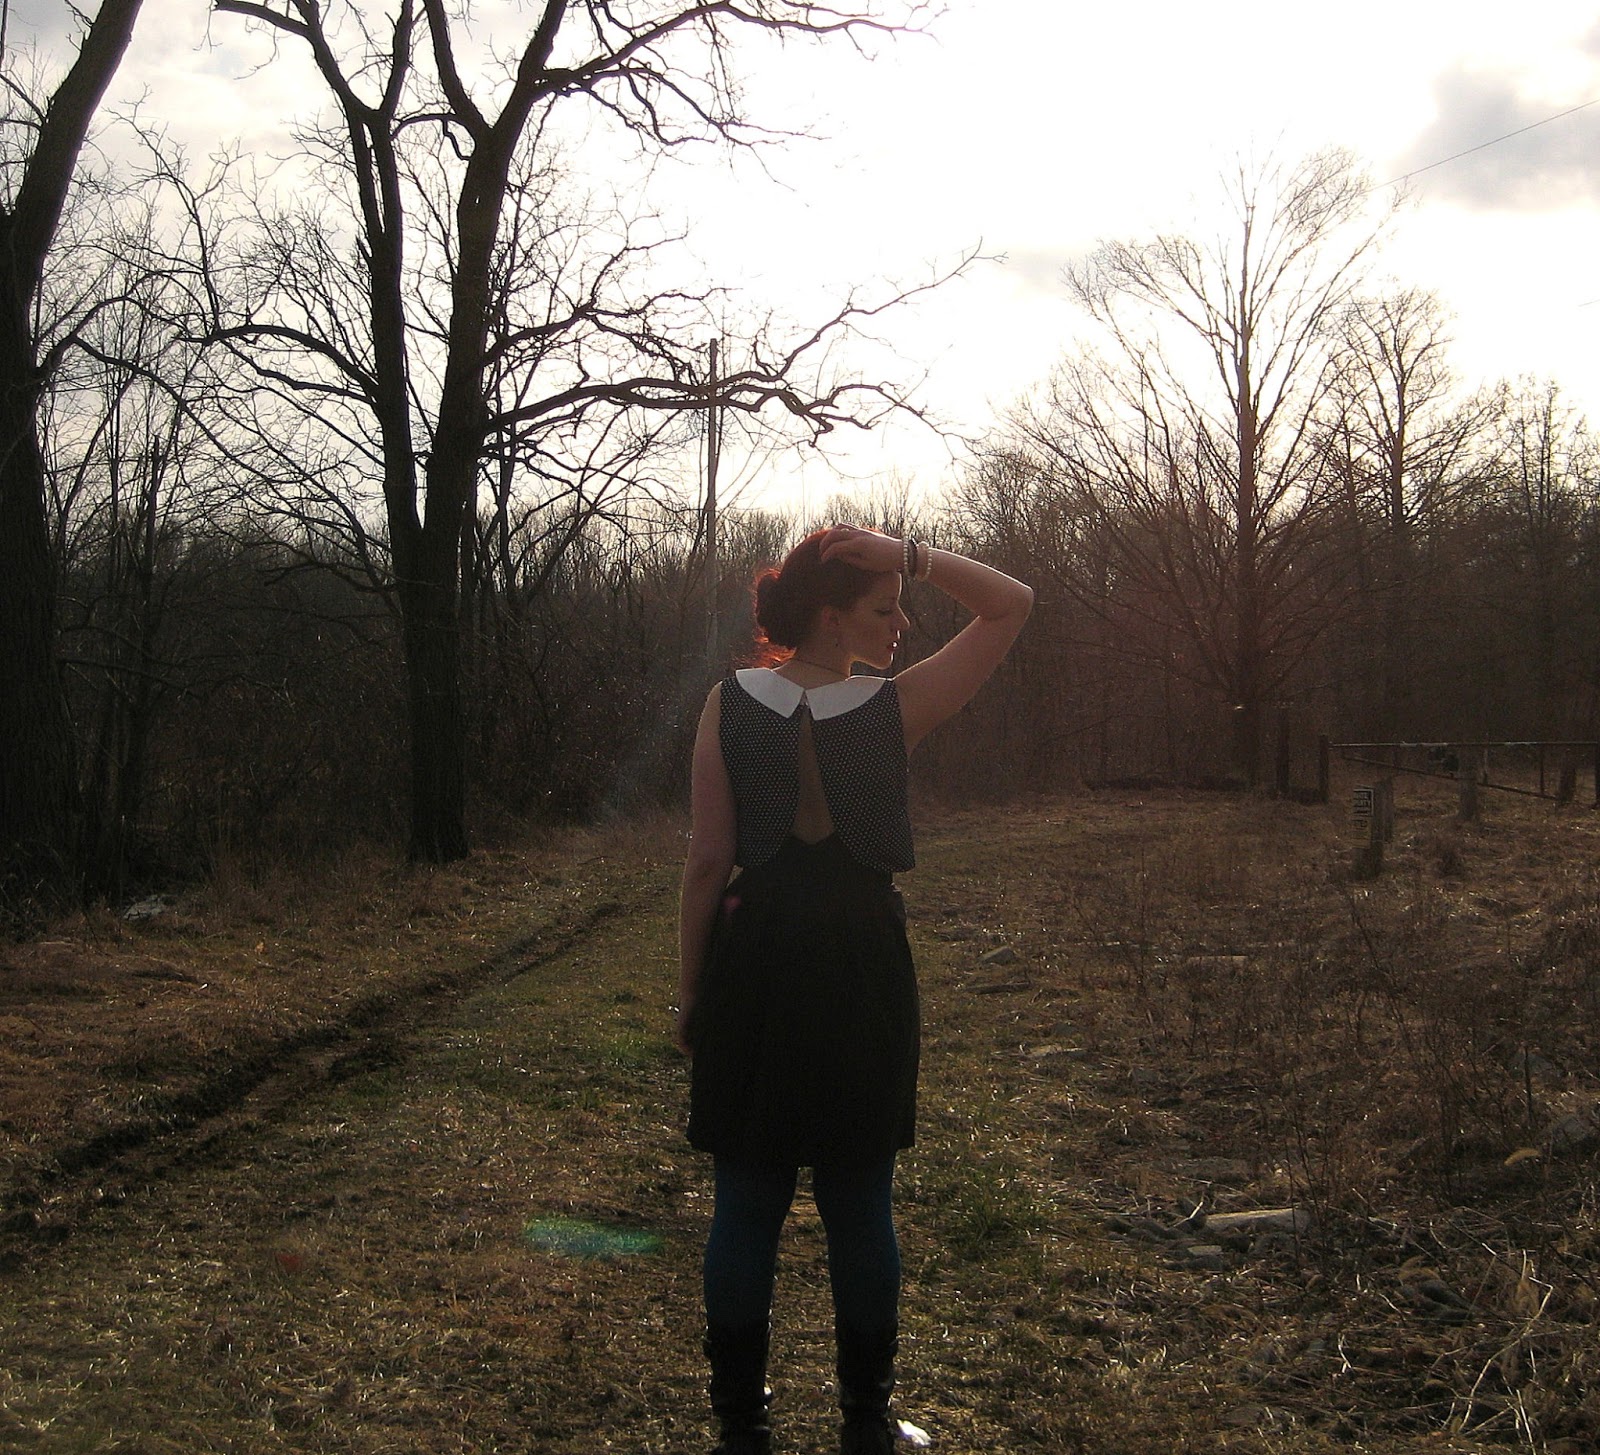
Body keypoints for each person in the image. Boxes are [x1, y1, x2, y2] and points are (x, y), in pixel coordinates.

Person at [676, 523, 1033, 1455]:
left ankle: (740, 1429)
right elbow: (1012, 604)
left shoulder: (727, 703)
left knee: (745, 1201)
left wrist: (693, 993)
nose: (902, 622)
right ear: (832, 617)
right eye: (884, 608)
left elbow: (708, 860)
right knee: (859, 1201)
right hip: (860, 961)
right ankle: (866, 1421)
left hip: (754, 962)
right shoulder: (891, 708)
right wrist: (910, 552)